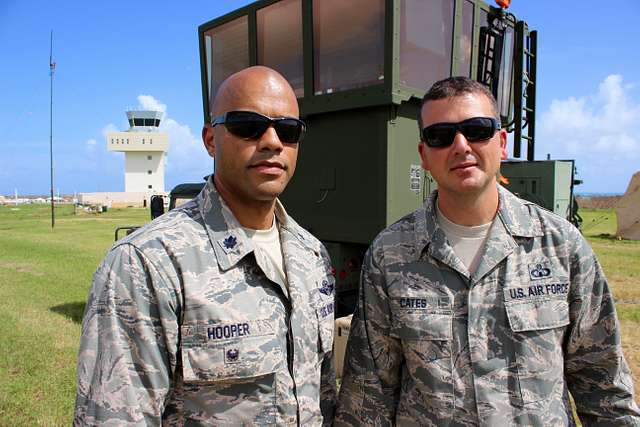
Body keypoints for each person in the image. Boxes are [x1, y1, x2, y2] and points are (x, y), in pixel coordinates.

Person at [336, 76, 640, 426]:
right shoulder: (390, 257)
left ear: (502, 142)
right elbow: (368, 398)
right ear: (423, 155)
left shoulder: (560, 246)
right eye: (441, 135)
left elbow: (604, 389)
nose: (461, 145)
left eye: (477, 129)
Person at [74, 66, 336, 426]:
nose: (273, 142)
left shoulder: (312, 256)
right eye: (248, 125)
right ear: (211, 139)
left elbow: (323, 399)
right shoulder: (147, 264)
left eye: (288, 130)